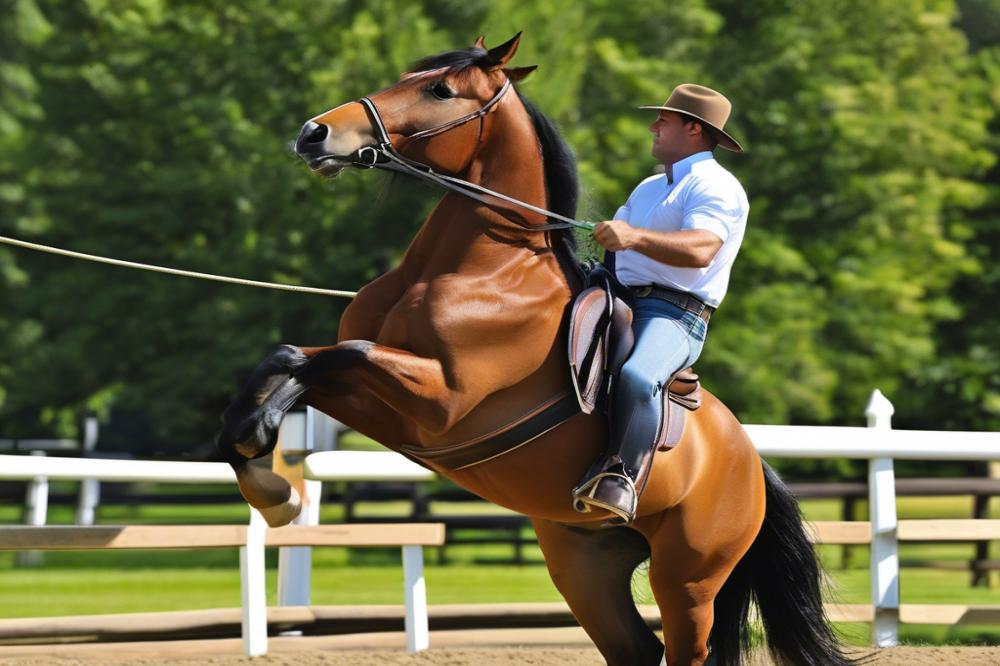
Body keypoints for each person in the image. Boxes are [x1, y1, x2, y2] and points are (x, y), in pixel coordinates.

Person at [572, 83, 749, 525]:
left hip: (676, 315)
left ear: (693, 129)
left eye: (663, 121)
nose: (653, 126)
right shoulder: (650, 186)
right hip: (620, 298)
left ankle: (622, 476)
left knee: (637, 375)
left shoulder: (718, 186)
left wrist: (632, 236)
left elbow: (701, 249)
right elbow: (619, 249)